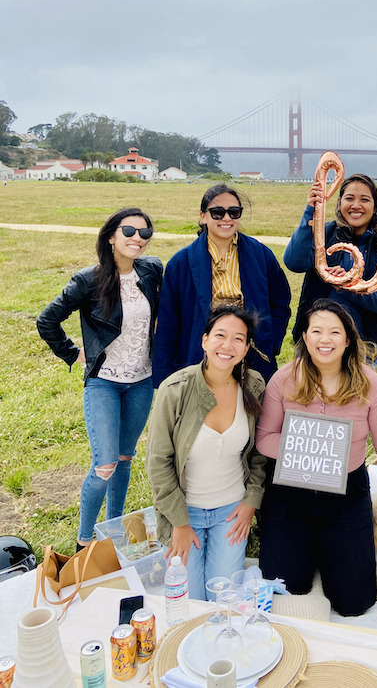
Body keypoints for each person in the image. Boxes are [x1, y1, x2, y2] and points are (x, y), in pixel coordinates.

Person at [256, 299, 377, 616]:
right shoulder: (284, 379)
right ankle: (311, 549)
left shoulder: (372, 385)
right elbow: (264, 438)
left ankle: (329, 550)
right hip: (291, 493)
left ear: (348, 339)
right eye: (316, 331)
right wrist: (313, 452)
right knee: (289, 588)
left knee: (353, 603)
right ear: (304, 336)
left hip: (347, 494)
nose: (324, 339)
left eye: (334, 331)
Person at [36, 208, 163, 551]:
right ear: (111, 236)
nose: (138, 238)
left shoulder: (151, 271)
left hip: (141, 382)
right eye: (129, 231)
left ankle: (115, 530)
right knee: (105, 463)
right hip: (103, 383)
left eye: (145, 233)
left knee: (124, 457)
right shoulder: (87, 280)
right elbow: (47, 320)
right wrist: (73, 353)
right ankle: (84, 541)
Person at [146, 305, 266, 599]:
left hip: (231, 511)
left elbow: (259, 455)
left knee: (223, 599)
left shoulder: (254, 385)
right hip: (185, 513)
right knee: (190, 602)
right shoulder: (174, 390)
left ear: (247, 346)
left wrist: (252, 500)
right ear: (204, 340)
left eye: (238, 339)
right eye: (220, 336)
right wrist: (180, 522)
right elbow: (158, 463)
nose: (228, 346)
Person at [152, 182, 291, 387]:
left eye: (234, 212)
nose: (226, 218)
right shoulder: (180, 263)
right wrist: (164, 378)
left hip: (251, 352)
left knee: (253, 413)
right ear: (203, 216)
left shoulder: (262, 255)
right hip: (200, 353)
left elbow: (280, 301)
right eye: (217, 213)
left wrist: (270, 342)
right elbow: (168, 322)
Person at [283, 173, 377, 360]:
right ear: (339, 204)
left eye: (364, 199)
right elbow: (294, 262)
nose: (356, 205)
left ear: (375, 207)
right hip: (313, 343)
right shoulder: (324, 234)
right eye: (349, 198)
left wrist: (351, 287)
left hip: (362, 348)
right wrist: (310, 212)